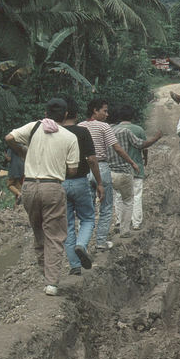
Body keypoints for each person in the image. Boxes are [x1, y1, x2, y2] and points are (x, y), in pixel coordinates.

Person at [5, 98, 79, 296]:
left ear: (46, 113)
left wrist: (22, 152)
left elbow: (9, 138)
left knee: (38, 232)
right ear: (65, 115)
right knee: (54, 235)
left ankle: (44, 275)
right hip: (52, 187)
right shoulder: (70, 137)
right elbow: (72, 170)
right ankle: (52, 282)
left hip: (29, 186)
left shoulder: (34, 127)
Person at [78, 98, 139, 252]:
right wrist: (131, 162)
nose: (107, 114)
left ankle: (83, 243)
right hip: (102, 167)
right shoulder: (104, 127)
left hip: (84, 169)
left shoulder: (80, 126)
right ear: (95, 111)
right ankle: (100, 242)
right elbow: (117, 148)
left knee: (87, 207)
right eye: (104, 110)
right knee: (105, 207)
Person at [61, 95, 104, 276]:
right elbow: (92, 160)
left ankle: (74, 266)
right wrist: (99, 183)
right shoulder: (82, 132)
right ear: (76, 114)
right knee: (87, 218)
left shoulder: (54, 133)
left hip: (60, 183)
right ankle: (82, 244)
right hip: (80, 181)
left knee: (68, 224)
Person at [107, 106, 163, 238]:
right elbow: (143, 145)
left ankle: (120, 221)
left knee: (119, 196)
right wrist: (146, 158)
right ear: (132, 117)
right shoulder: (138, 129)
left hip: (116, 169)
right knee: (136, 196)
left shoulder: (112, 130)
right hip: (135, 168)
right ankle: (136, 223)